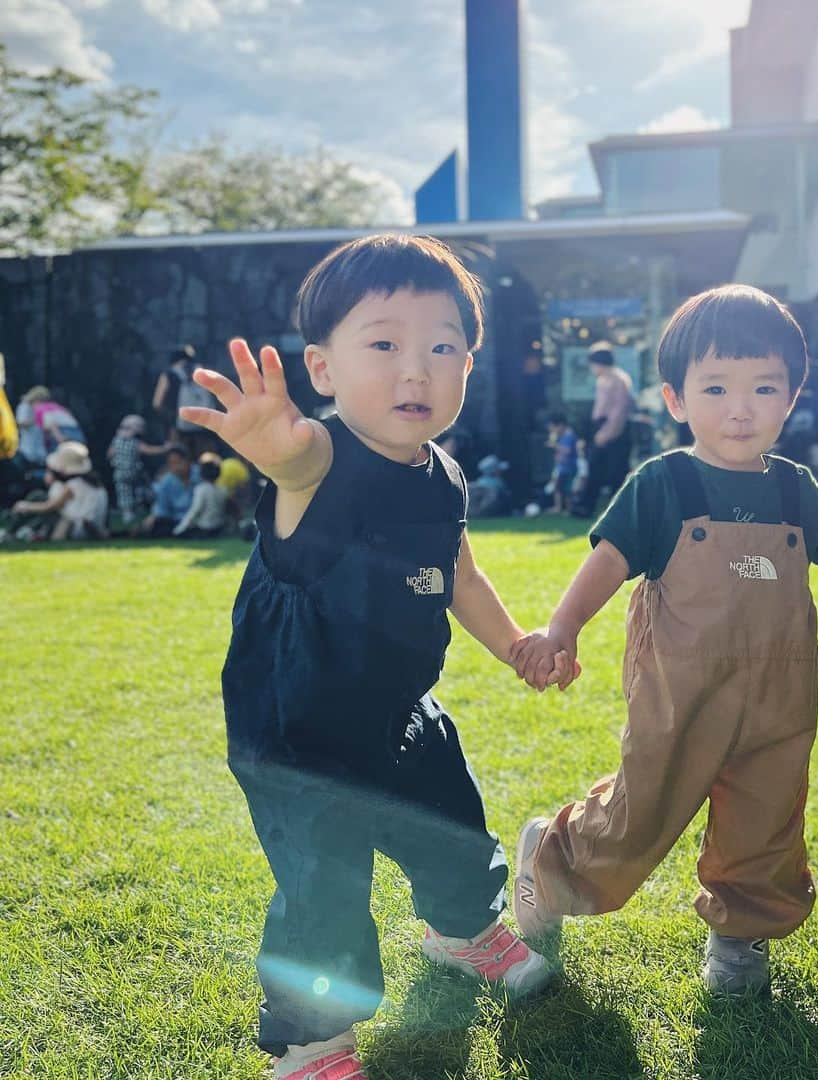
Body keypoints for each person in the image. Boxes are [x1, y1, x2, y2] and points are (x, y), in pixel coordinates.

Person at [177, 234, 573, 1080]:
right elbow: (296, 461)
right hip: (299, 737)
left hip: (397, 712)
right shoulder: (320, 460)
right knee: (323, 894)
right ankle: (311, 1040)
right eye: (384, 344)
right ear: (322, 369)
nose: (417, 370)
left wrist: (512, 644)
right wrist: (273, 446)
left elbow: (459, 569)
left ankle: (463, 934)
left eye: (444, 347)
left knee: (456, 833)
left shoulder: (445, 476)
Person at [510, 284, 818, 997]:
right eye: (716, 387)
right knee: (641, 811)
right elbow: (609, 560)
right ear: (676, 399)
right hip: (680, 686)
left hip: (779, 690)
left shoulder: (795, 489)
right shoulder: (666, 482)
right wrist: (561, 628)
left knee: (766, 819)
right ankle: (553, 858)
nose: (740, 407)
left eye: (763, 387)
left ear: (790, 397)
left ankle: (738, 936)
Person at [575, 341, 634, 517]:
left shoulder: (617, 380)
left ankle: (619, 510)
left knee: (616, 472)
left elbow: (619, 409)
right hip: (603, 427)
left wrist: (607, 432)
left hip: (613, 429)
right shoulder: (605, 379)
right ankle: (587, 507)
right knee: (597, 470)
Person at [8, 441, 108, 540]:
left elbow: (50, 506)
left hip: (76, 528)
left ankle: (11, 531)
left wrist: (26, 506)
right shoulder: (95, 484)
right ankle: (23, 531)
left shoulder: (74, 485)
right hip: (87, 527)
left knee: (37, 497)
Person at [108, 414, 169, 528]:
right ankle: (140, 509)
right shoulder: (135, 443)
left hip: (119, 473)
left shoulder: (116, 441)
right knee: (140, 490)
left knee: (124, 493)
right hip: (134, 472)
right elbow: (149, 450)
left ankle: (128, 513)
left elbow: (110, 454)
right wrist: (164, 449)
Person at [141, 445, 194, 537]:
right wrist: (154, 517)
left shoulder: (200, 476)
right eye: (171, 463)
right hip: (175, 519)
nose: (175, 467)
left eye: (177, 462)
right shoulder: (168, 480)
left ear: (187, 461)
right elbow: (162, 505)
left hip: (196, 519)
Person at [173, 455, 228, 538]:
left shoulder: (201, 489)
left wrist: (180, 528)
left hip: (204, 528)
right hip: (218, 528)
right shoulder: (223, 489)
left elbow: (195, 510)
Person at [21, 386, 86, 453]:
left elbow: (51, 424)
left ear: (36, 400)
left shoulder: (39, 409)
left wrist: (60, 438)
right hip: (77, 433)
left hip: (63, 434)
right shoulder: (55, 406)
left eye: (31, 403)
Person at [152, 345, 196, 442]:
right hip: (197, 424)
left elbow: (157, 403)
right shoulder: (197, 375)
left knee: (176, 451)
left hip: (175, 424)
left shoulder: (168, 374)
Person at [546, 412, 577, 514]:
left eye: (553, 427)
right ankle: (558, 507)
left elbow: (567, 451)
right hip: (561, 467)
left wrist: (554, 445)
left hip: (569, 468)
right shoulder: (562, 436)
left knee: (567, 490)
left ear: (560, 425)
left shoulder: (569, 435)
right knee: (558, 488)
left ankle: (569, 509)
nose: (552, 430)